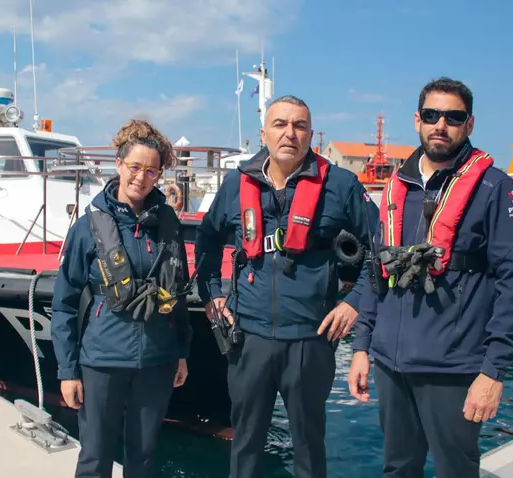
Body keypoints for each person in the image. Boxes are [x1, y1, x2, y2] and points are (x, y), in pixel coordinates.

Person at [348, 77, 513, 478]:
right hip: (390, 365)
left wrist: (493, 371)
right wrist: (361, 346)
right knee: (398, 468)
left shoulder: (495, 189)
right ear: (417, 120)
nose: (441, 125)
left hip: (453, 369)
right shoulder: (397, 188)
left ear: (469, 124)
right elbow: (375, 272)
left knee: (456, 470)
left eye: (453, 117)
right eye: (432, 115)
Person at [195, 95, 378, 478]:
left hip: (311, 341)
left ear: (310, 134)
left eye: (299, 126)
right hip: (249, 340)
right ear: (264, 133)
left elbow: (380, 245)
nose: (289, 133)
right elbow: (207, 239)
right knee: (245, 444)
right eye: (280, 124)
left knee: (309, 446)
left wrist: (355, 302)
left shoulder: (340, 184)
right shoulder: (236, 184)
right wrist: (212, 293)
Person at [50, 118, 193, 478]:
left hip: (157, 360)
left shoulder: (168, 224)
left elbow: (177, 294)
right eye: (134, 167)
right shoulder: (88, 227)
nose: (141, 178)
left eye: (151, 171)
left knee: (143, 457)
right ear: (119, 165)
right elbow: (64, 303)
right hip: (102, 361)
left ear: (159, 175)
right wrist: (68, 371)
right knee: (94, 456)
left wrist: (180, 353)